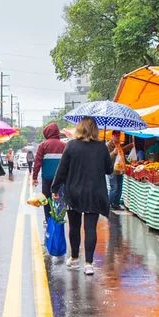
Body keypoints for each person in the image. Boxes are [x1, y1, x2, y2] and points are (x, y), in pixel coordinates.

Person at [51, 116, 113, 276]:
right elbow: (109, 170)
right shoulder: (101, 147)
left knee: (74, 226)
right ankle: (89, 264)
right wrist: (105, 151)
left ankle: (74, 258)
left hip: (74, 192)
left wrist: (55, 187)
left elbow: (62, 169)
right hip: (95, 193)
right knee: (90, 228)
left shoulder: (71, 145)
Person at [33, 123, 66, 226]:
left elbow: (37, 162)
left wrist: (35, 177)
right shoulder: (64, 146)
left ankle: (48, 220)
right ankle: (59, 219)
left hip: (47, 178)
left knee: (46, 200)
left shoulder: (43, 145)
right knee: (60, 199)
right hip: (61, 179)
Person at [106, 130, 130, 210]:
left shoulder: (119, 145)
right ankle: (108, 204)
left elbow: (122, 154)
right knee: (114, 187)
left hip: (120, 170)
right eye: (116, 135)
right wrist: (113, 152)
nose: (117, 137)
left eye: (118, 135)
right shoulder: (108, 145)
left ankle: (116, 204)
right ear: (112, 136)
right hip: (112, 169)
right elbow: (107, 158)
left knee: (119, 188)